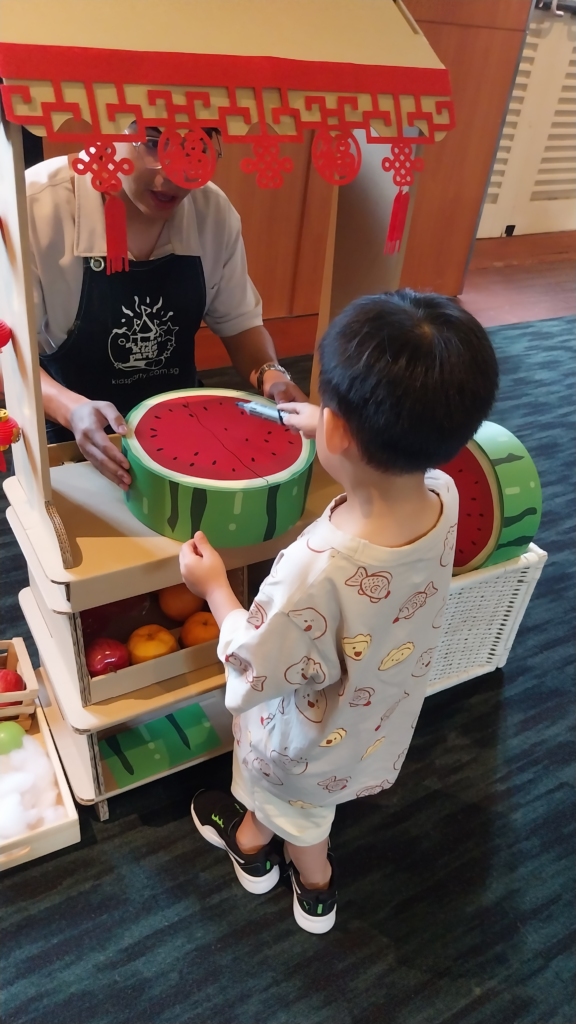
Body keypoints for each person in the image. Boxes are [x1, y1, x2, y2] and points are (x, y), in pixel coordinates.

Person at [179, 289, 499, 933]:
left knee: (299, 813)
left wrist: (213, 587)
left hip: (303, 739)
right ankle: (277, 853)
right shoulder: (442, 494)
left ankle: (294, 874)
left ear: (341, 430)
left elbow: (254, 664)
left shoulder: (314, 569)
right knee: (305, 799)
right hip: (376, 717)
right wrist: (326, 423)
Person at [17, 125, 305, 489]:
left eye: (196, 148)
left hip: (182, 422)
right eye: (154, 143)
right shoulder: (35, 206)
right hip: (66, 428)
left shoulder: (212, 211)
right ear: (107, 130)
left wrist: (272, 374)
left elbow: (239, 322)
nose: (175, 174)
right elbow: (6, 350)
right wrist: (69, 409)